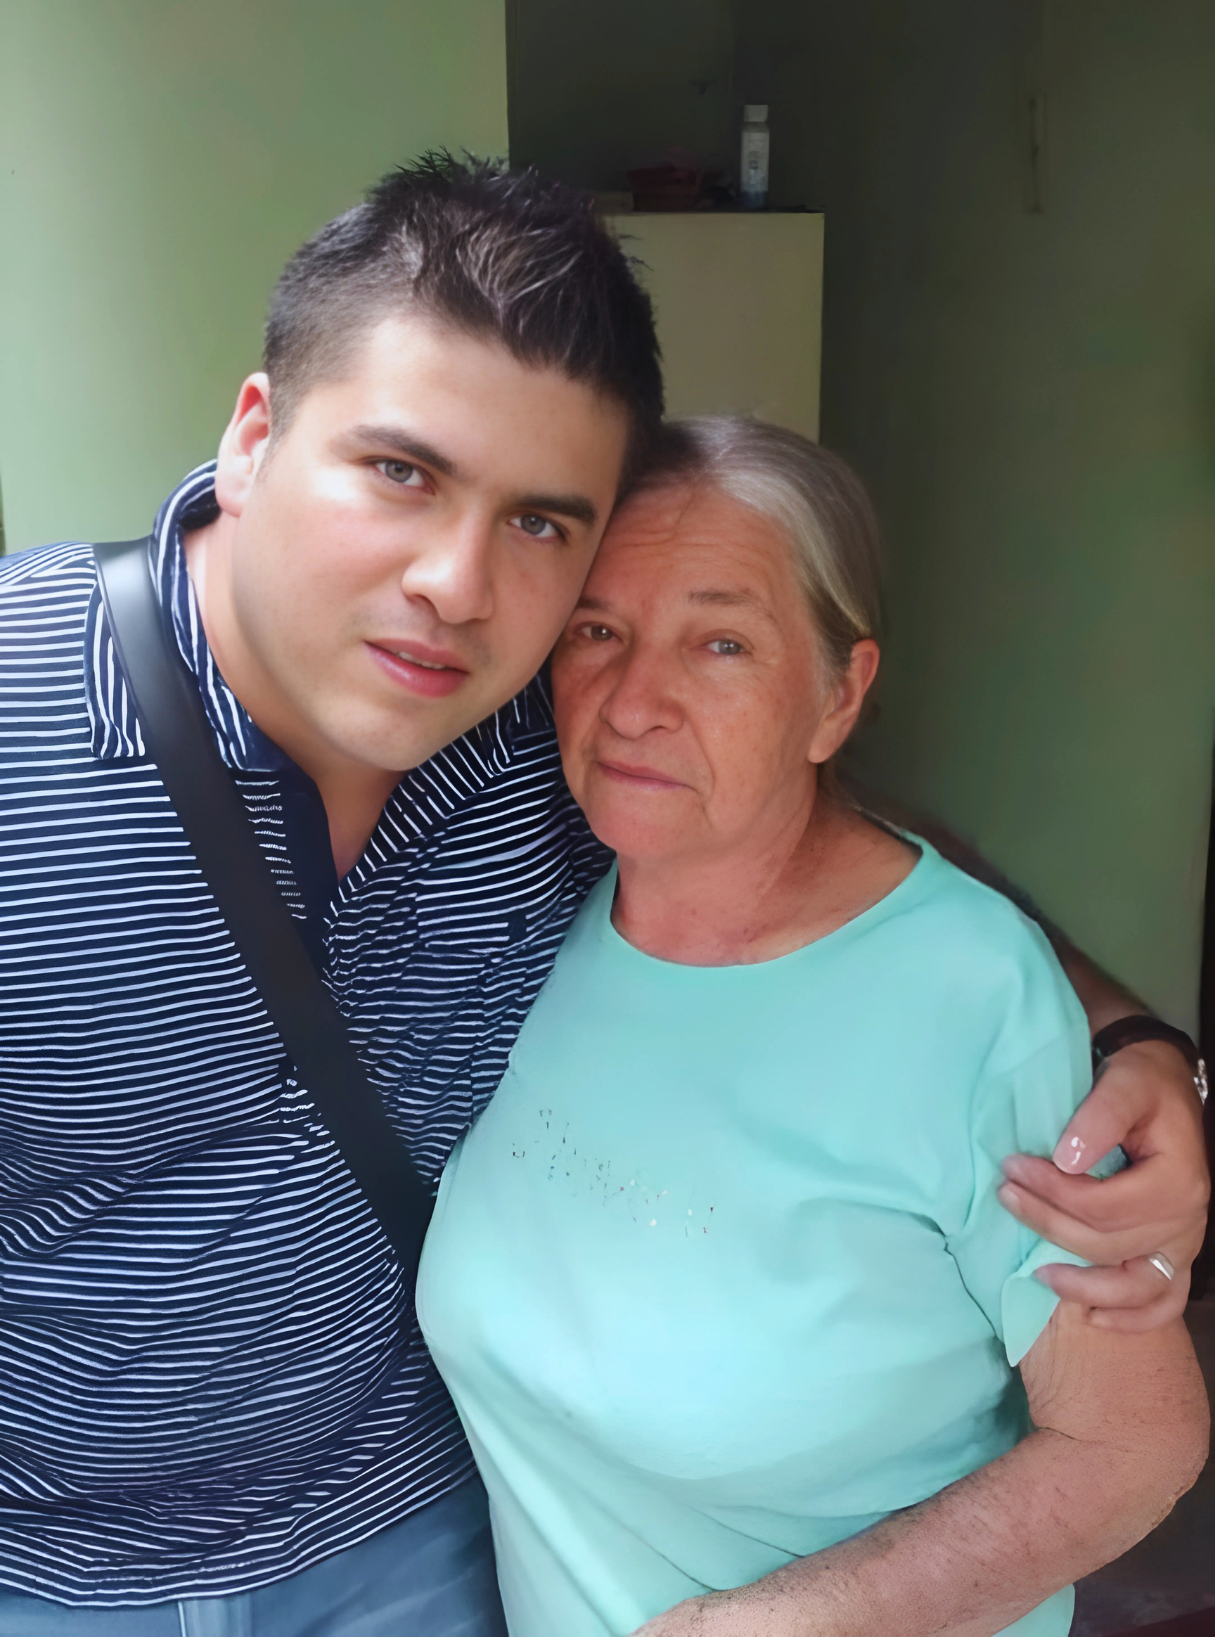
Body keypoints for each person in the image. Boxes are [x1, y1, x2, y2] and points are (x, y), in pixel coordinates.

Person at [0, 156, 1204, 1635]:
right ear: (255, 436)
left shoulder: (540, 715)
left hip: (412, 1534)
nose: (454, 582)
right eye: (400, 471)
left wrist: (1128, 1039)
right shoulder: (28, 714)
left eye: (538, 522)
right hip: (54, 1570)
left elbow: (812, 834)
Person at [416, 417, 1211, 1637]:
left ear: (839, 696)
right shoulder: (535, 899)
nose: (634, 702)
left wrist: (778, 1624)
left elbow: (1133, 1440)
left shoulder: (971, 998)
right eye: (598, 630)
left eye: (721, 642)